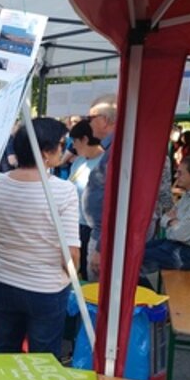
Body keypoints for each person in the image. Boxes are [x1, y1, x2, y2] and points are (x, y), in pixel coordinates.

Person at [0, 117, 80, 358]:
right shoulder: (63, 191)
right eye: (61, 144)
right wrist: (72, 271)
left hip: (4, 281)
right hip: (46, 287)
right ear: (44, 153)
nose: (64, 149)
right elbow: (71, 253)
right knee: (43, 359)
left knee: (5, 351)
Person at [82, 94, 118, 280]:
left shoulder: (117, 151)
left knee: (99, 293)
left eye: (91, 118)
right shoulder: (113, 148)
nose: (88, 124)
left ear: (104, 120)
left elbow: (115, 203)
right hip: (101, 235)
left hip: (104, 238)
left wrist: (101, 247)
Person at [141, 155, 190, 273]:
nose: (176, 176)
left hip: (188, 252)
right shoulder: (188, 195)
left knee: (136, 258)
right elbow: (163, 219)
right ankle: (145, 289)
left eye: (180, 173)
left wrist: (170, 221)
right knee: (134, 252)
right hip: (176, 244)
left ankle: (148, 290)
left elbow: (180, 234)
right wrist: (173, 222)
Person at [68, 119, 104, 280]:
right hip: (76, 225)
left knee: (93, 271)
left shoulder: (105, 163)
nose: (73, 146)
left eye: (75, 141)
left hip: (95, 229)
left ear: (85, 139)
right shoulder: (79, 162)